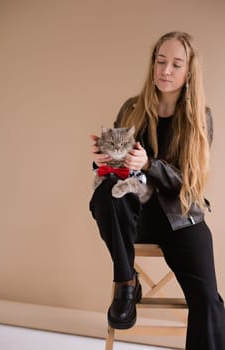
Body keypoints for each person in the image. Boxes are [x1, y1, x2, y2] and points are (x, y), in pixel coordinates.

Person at [89, 31, 225, 350]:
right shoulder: (132, 107)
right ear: (153, 65)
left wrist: (150, 164)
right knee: (109, 188)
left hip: (181, 216)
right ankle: (126, 282)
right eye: (160, 61)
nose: (165, 70)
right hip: (135, 215)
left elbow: (190, 183)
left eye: (176, 64)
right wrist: (101, 161)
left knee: (208, 298)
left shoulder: (200, 117)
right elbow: (116, 166)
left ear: (189, 71)